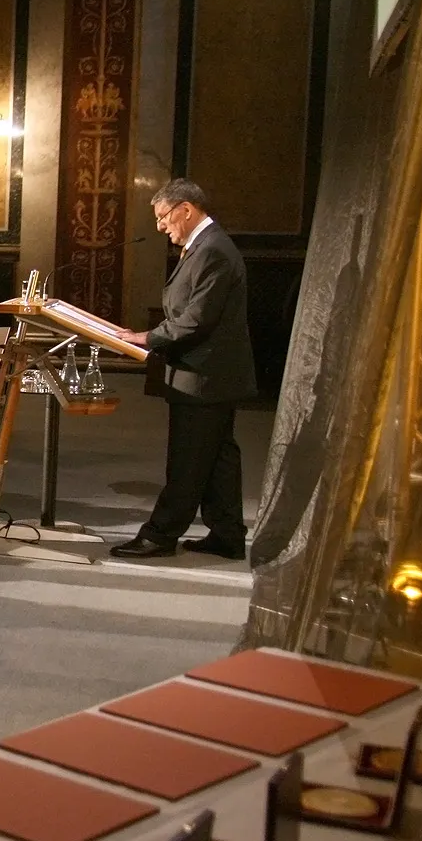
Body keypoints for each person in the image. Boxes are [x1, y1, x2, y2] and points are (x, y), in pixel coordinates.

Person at [110, 178, 257, 560]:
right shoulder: (205, 247)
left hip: (204, 377)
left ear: (186, 210)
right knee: (218, 458)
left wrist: (148, 337)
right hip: (207, 375)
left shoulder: (213, 251)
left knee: (188, 460)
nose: (160, 226)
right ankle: (227, 534)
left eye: (163, 217)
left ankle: (160, 535)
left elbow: (197, 319)